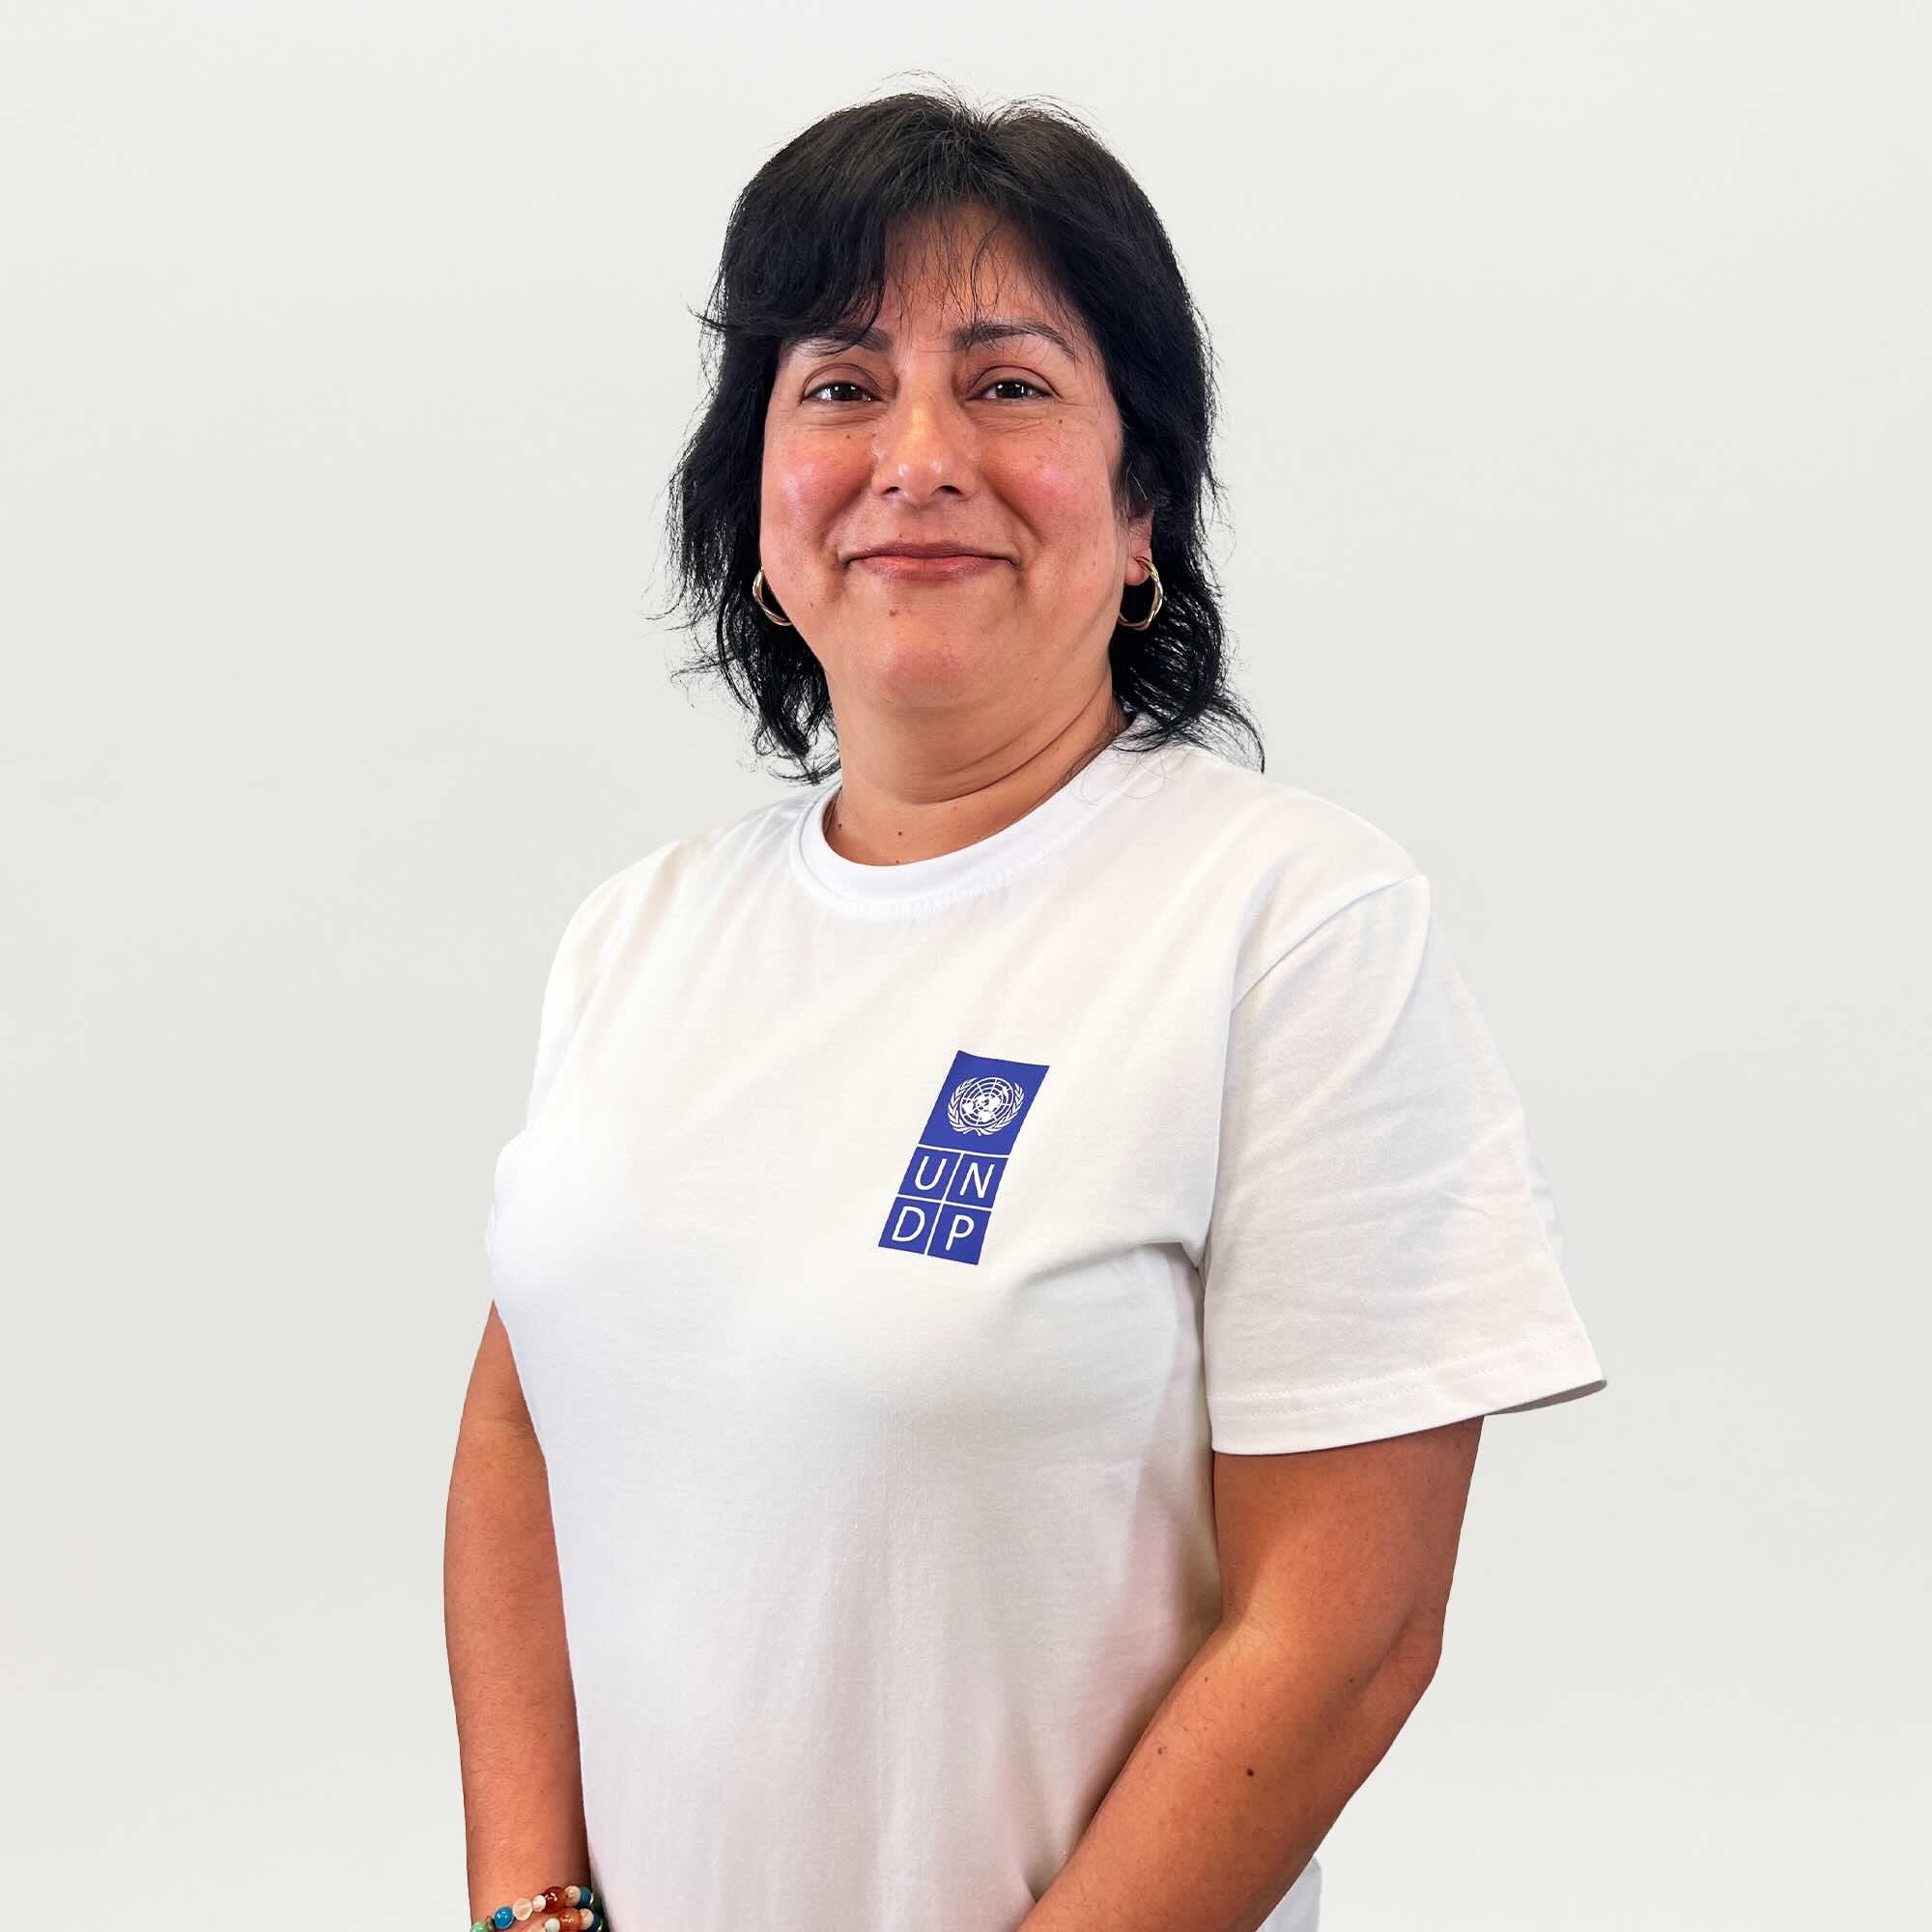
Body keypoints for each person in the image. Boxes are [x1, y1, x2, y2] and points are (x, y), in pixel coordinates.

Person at [444, 84, 1608, 1932]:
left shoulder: (1290, 926)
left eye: (1008, 384)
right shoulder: (638, 935)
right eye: (840, 385)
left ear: (1143, 509)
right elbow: (528, 1421)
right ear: (757, 498)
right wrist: (526, 1904)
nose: (917, 456)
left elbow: (1346, 1631)